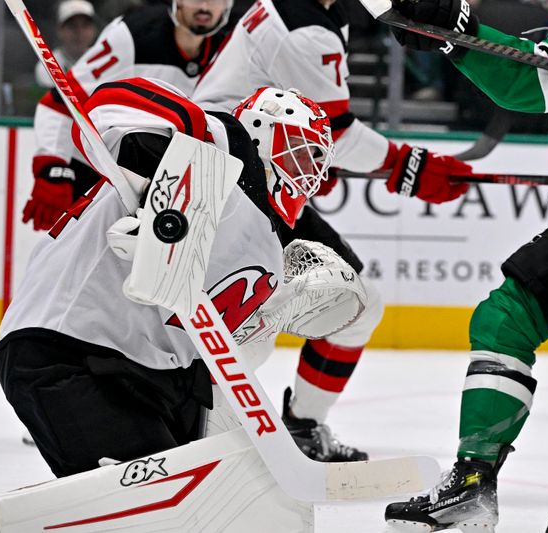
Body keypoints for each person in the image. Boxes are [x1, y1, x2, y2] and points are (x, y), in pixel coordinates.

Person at [0, 78, 336, 490]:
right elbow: (106, 107)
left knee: (211, 504)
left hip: (159, 374)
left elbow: (211, 346)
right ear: (261, 133)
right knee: (158, 507)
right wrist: (164, 183)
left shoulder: (266, 244)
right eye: (300, 151)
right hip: (68, 347)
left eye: (316, 160)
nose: (309, 173)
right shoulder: (222, 150)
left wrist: (272, 314)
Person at [191, 0, 475, 461]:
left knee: (340, 303)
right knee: (343, 306)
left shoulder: (303, 10)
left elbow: (303, 118)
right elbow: (338, 132)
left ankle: (227, 422)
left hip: (234, 172)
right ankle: (226, 425)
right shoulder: (308, 29)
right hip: (239, 187)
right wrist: (407, 166)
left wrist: (310, 158)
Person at [380, 0, 548, 531]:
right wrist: (452, 36)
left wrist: (460, 29)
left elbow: (533, 83)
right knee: (503, 321)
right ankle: (471, 486)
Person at [24, 0, 231, 232]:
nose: (204, 6)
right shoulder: (131, 36)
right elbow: (59, 104)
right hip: (98, 173)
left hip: (164, 180)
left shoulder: (231, 48)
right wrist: (53, 167)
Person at [34, 0, 100, 89]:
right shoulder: (47, 66)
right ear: (59, 30)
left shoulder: (102, 60)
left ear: (94, 30)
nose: (79, 32)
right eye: (72, 26)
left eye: (85, 25)